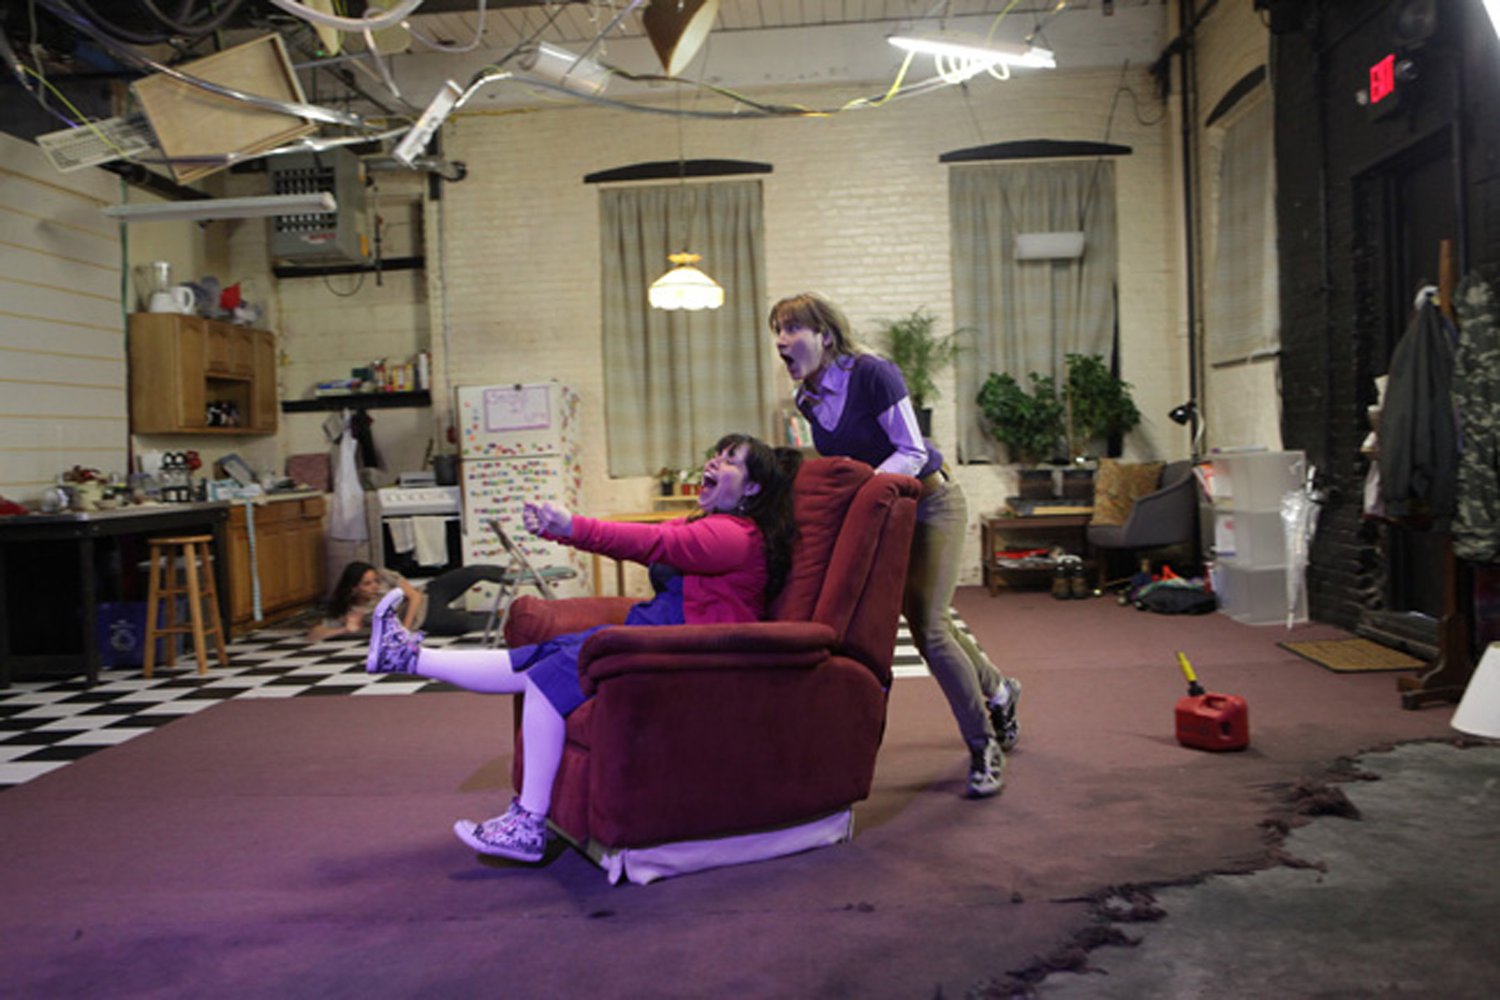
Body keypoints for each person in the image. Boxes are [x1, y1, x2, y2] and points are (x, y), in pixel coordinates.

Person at [364, 433, 802, 862]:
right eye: (717, 454)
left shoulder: (735, 537)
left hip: (683, 651)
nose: (714, 462)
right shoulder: (707, 525)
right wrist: (560, 530)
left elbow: (653, 544)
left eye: (730, 460)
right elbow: (640, 534)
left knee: (544, 680)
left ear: (752, 488)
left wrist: (570, 526)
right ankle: (407, 656)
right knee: (536, 660)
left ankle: (528, 824)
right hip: (654, 633)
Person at [770, 292, 1020, 799]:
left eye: (793, 328)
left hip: (931, 504)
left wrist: (865, 494)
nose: (781, 340)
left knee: (929, 630)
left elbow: (910, 450)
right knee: (929, 617)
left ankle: (983, 746)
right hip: (884, 514)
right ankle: (999, 689)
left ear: (825, 336)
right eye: (777, 330)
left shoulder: (873, 374)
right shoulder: (807, 400)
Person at [308, 561, 515, 640]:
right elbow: (314, 634)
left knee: (473, 572)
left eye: (375, 581)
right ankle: (510, 617)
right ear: (354, 588)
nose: (375, 586)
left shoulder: (384, 575)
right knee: (469, 623)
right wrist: (344, 630)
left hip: (428, 593)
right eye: (367, 584)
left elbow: (414, 596)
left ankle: (521, 575)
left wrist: (404, 629)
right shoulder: (351, 609)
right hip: (426, 618)